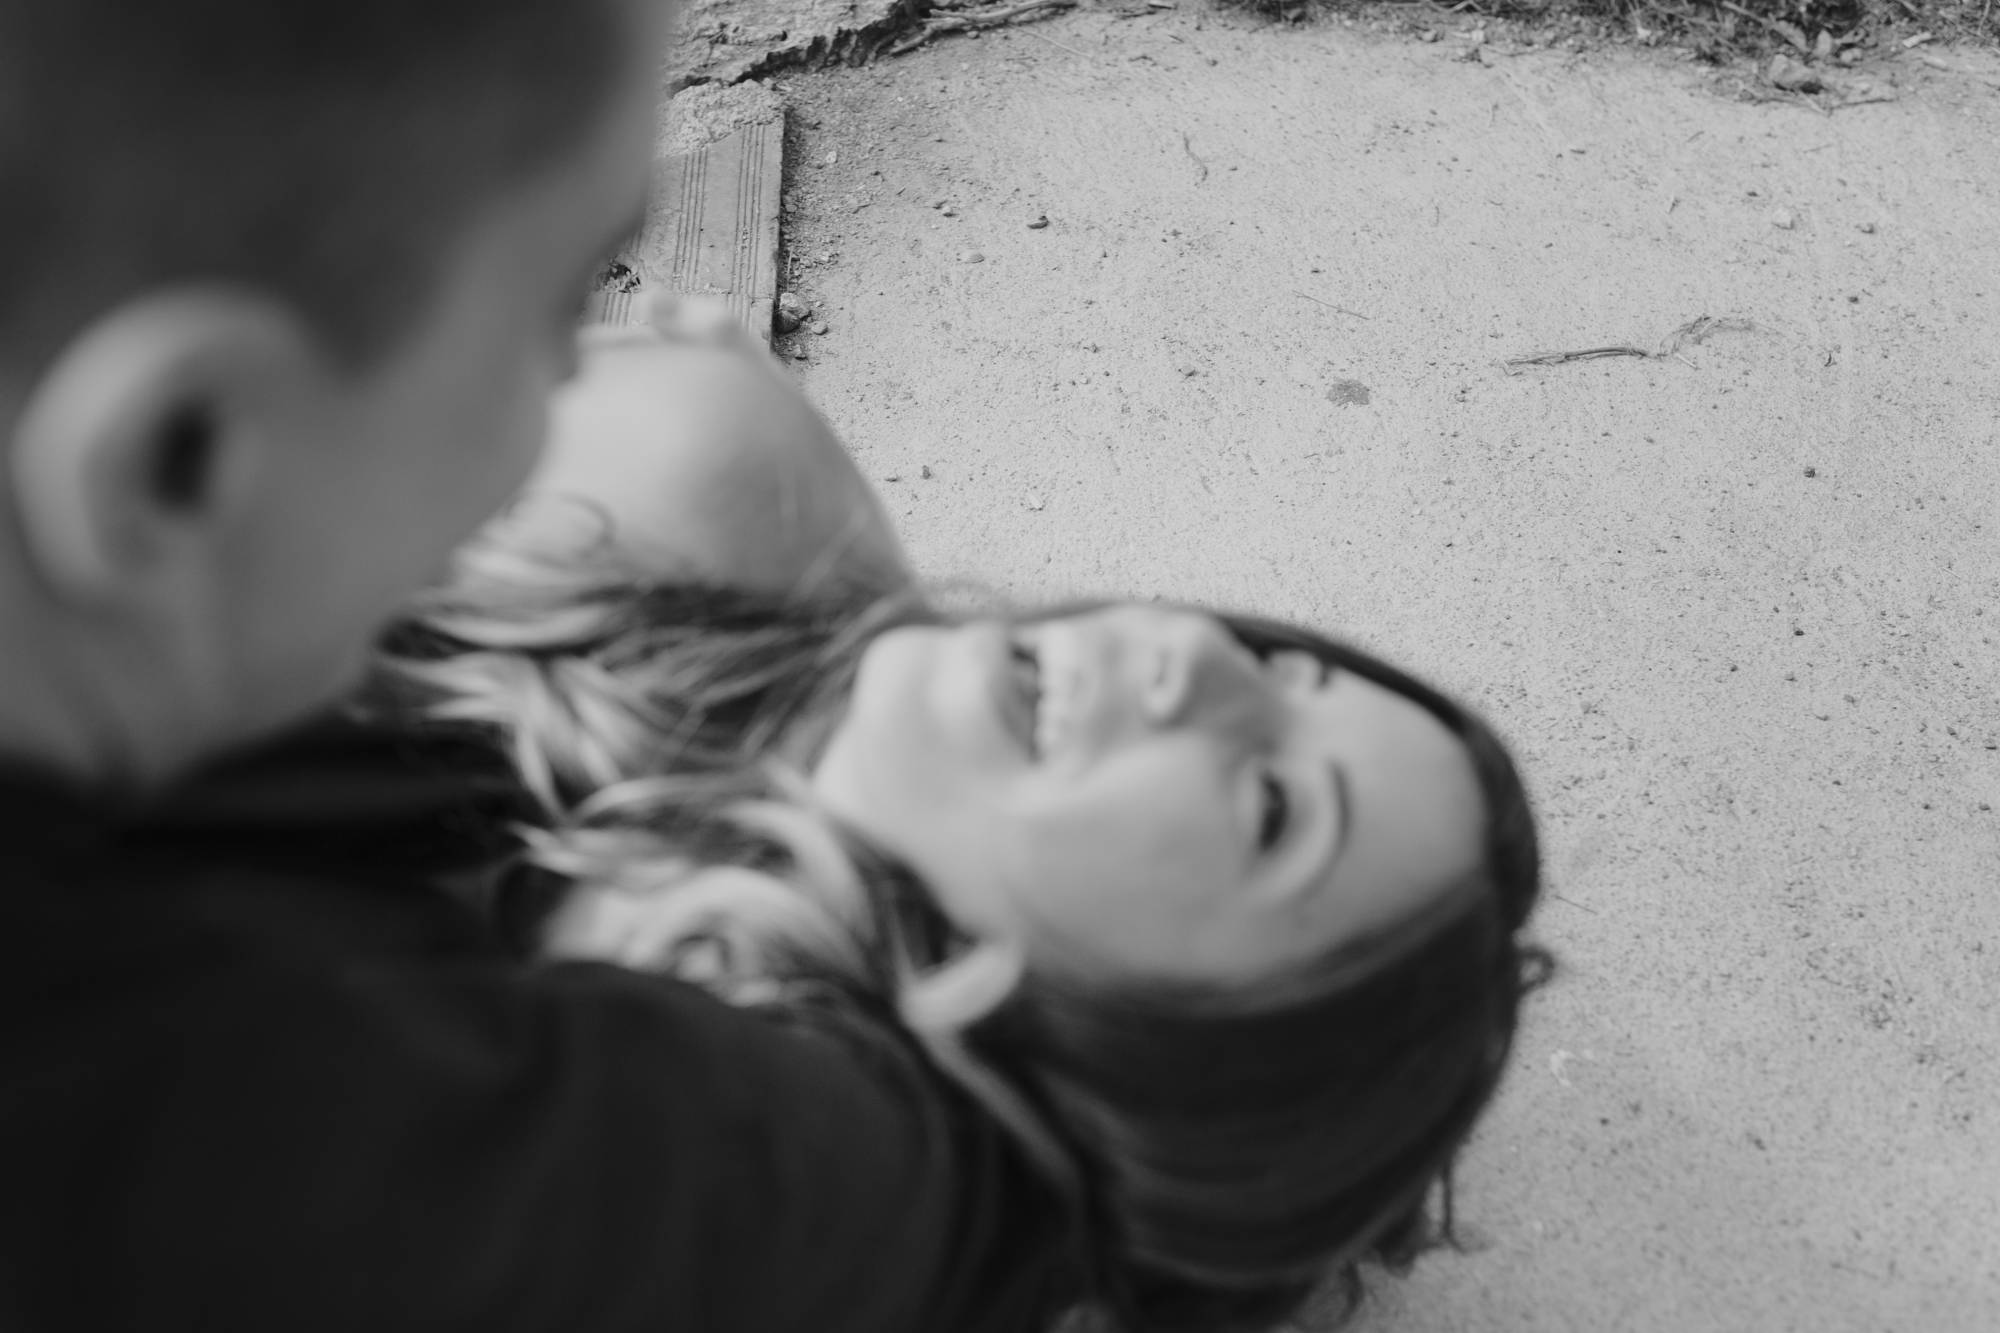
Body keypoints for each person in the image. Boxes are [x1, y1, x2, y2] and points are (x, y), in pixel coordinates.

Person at [0, 3, 1065, 1329]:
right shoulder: (205, 1112)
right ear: (184, 451)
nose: (685, 314)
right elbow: (877, 1189)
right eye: (565, 304)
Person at [377, 327, 1553, 1333]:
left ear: (1166, 1070)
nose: (1194, 652)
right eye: (1277, 668)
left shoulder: (758, 1210)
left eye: (1271, 807)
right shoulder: (728, 577)